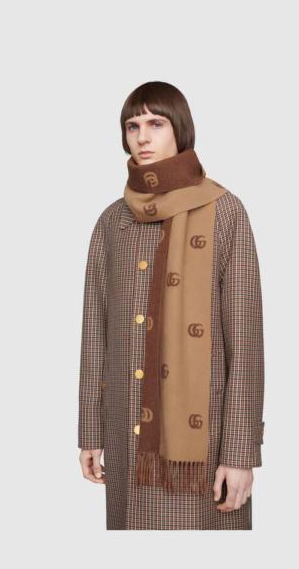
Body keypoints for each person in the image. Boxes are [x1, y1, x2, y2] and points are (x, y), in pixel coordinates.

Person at [78, 81, 265, 530]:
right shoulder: (112, 221)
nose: (142, 137)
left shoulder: (224, 213)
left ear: (180, 129)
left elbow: (245, 341)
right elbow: (95, 332)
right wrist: (90, 431)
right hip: (126, 439)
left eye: (155, 124)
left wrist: (240, 453)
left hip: (205, 449)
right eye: (132, 126)